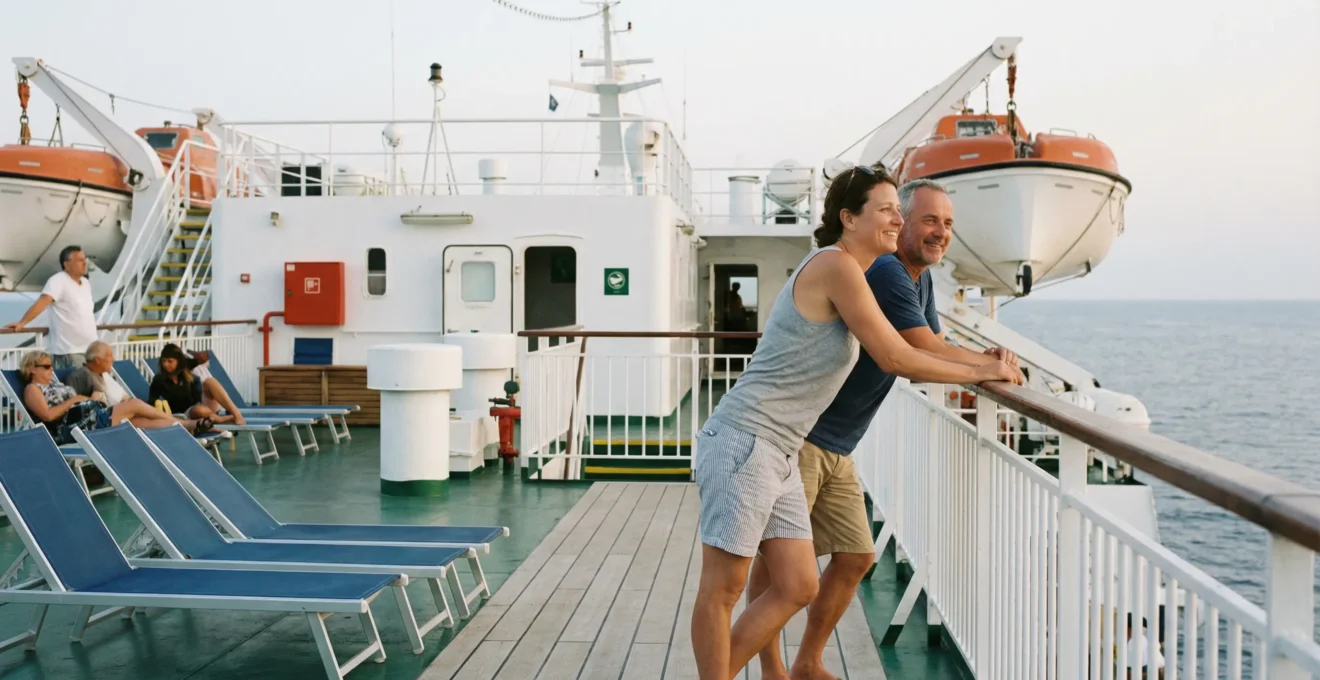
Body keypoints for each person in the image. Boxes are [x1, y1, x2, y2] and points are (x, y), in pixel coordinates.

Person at [690, 164, 1022, 680]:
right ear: (848, 217)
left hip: (779, 449)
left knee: (798, 584)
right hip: (745, 440)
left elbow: (911, 348)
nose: (897, 219)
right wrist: (986, 367)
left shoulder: (857, 272)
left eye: (897, 209)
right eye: (888, 210)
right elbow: (896, 356)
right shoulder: (837, 266)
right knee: (723, 589)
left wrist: (982, 365)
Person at [17, 350, 211, 444]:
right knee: (134, 404)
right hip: (72, 429)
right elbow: (48, 416)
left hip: (88, 418)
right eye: (46, 366)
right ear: (32, 368)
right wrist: (73, 400)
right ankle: (185, 424)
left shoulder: (55, 384)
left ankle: (187, 428)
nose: (52, 369)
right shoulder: (32, 389)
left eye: (52, 366)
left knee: (137, 422)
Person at [4, 246, 99, 369]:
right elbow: (42, 302)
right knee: (77, 387)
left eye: (84, 259)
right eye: (80, 260)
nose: (85, 262)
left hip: (90, 349)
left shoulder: (85, 283)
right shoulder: (58, 281)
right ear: (67, 264)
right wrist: (22, 323)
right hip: (69, 351)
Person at [149, 344, 244, 424]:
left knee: (209, 381)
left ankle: (236, 413)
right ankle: (219, 419)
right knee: (199, 410)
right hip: (185, 415)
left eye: (170, 361)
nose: (166, 364)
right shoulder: (159, 379)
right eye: (164, 361)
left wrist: (191, 353)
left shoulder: (185, 370)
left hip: (202, 407)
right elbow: (152, 402)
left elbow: (203, 358)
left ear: (179, 362)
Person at [66, 341, 133, 406]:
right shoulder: (82, 376)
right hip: (107, 414)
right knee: (137, 405)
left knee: (137, 405)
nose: (113, 359)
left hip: (121, 410)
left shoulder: (103, 374)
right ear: (97, 360)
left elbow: (123, 397)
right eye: (109, 356)